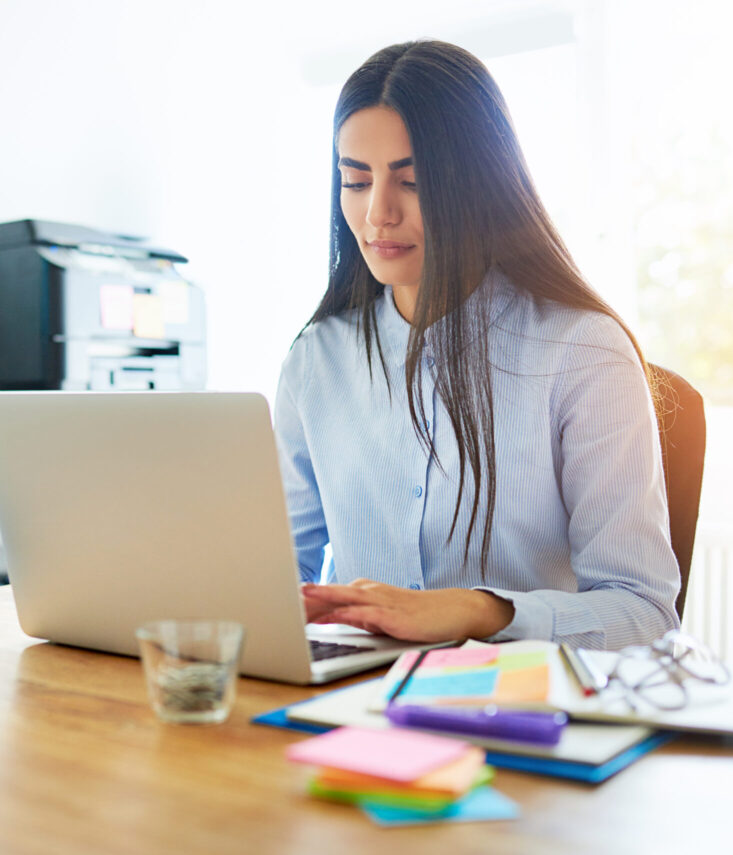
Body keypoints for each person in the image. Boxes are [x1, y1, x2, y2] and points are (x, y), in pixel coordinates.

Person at [274, 40, 681, 650]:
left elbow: (644, 616)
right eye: (355, 181)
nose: (376, 214)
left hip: (515, 708)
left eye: (411, 182)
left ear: (479, 185)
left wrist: (479, 612)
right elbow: (277, 577)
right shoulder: (315, 361)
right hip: (349, 702)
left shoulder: (584, 352)